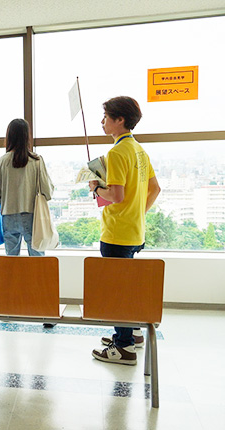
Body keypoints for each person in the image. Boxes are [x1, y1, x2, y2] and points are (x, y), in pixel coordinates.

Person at [89, 96, 161, 366]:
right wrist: (138, 213)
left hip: (117, 233)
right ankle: (131, 333)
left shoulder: (117, 153)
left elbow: (116, 196)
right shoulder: (139, 151)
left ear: (120, 120)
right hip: (135, 231)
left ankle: (123, 346)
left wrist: (96, 187)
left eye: (106, 117)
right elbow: (155, 189)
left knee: (117, 290)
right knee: (127, 286)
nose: (102, 122)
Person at [0, 118, 54, 257]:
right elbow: (47, 192)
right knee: (38, 260)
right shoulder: (36, 160)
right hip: (33, 216)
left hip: (8, 216)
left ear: (9, 136)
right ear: (27, 137)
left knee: (12, 262)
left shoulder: (1, 162)